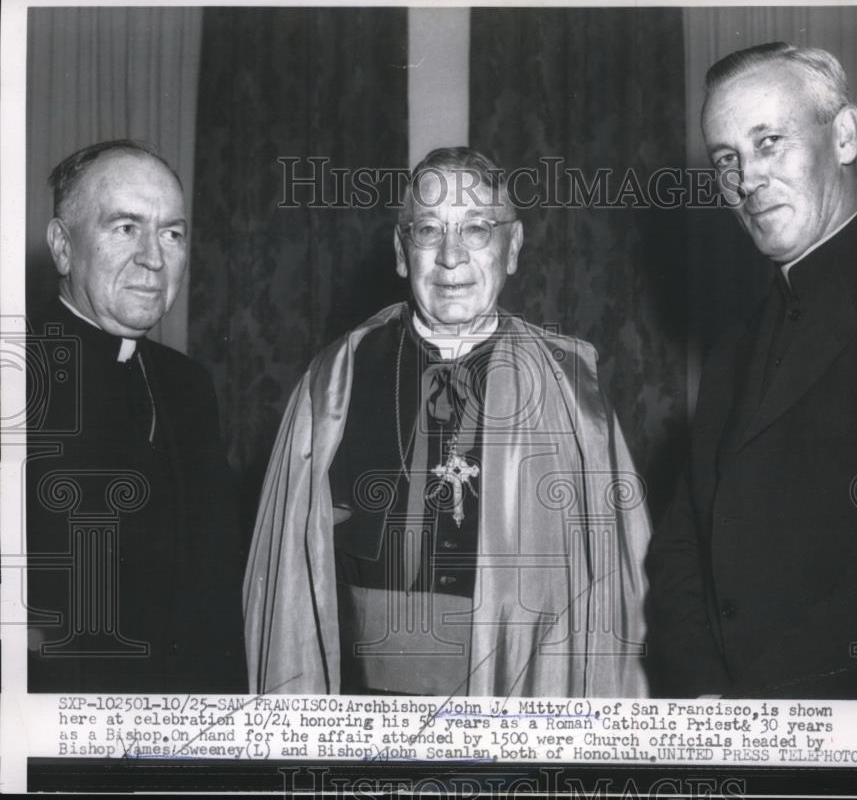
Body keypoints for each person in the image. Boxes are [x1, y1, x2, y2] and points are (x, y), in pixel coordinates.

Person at [244, 147, 651, 697]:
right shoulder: (334, 380)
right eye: (430, 230)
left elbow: (615, 593)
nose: (451, 258)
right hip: (362, 713)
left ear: (513, 248)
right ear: (400, 250)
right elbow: (287, 582)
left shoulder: (570, 389)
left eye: (477, 229)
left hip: (520, 700)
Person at [646, 43, 857, 699]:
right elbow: (681, 548)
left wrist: (762, 700)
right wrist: (706, 693)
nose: (746, 181)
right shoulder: (736, 345)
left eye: (769, 142)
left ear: (844, 135)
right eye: (728, 160)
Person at [26, 140, 246, 693]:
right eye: (125, 227)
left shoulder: (187, 385)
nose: (154, 257)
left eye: (171, 233)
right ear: (62, 246)